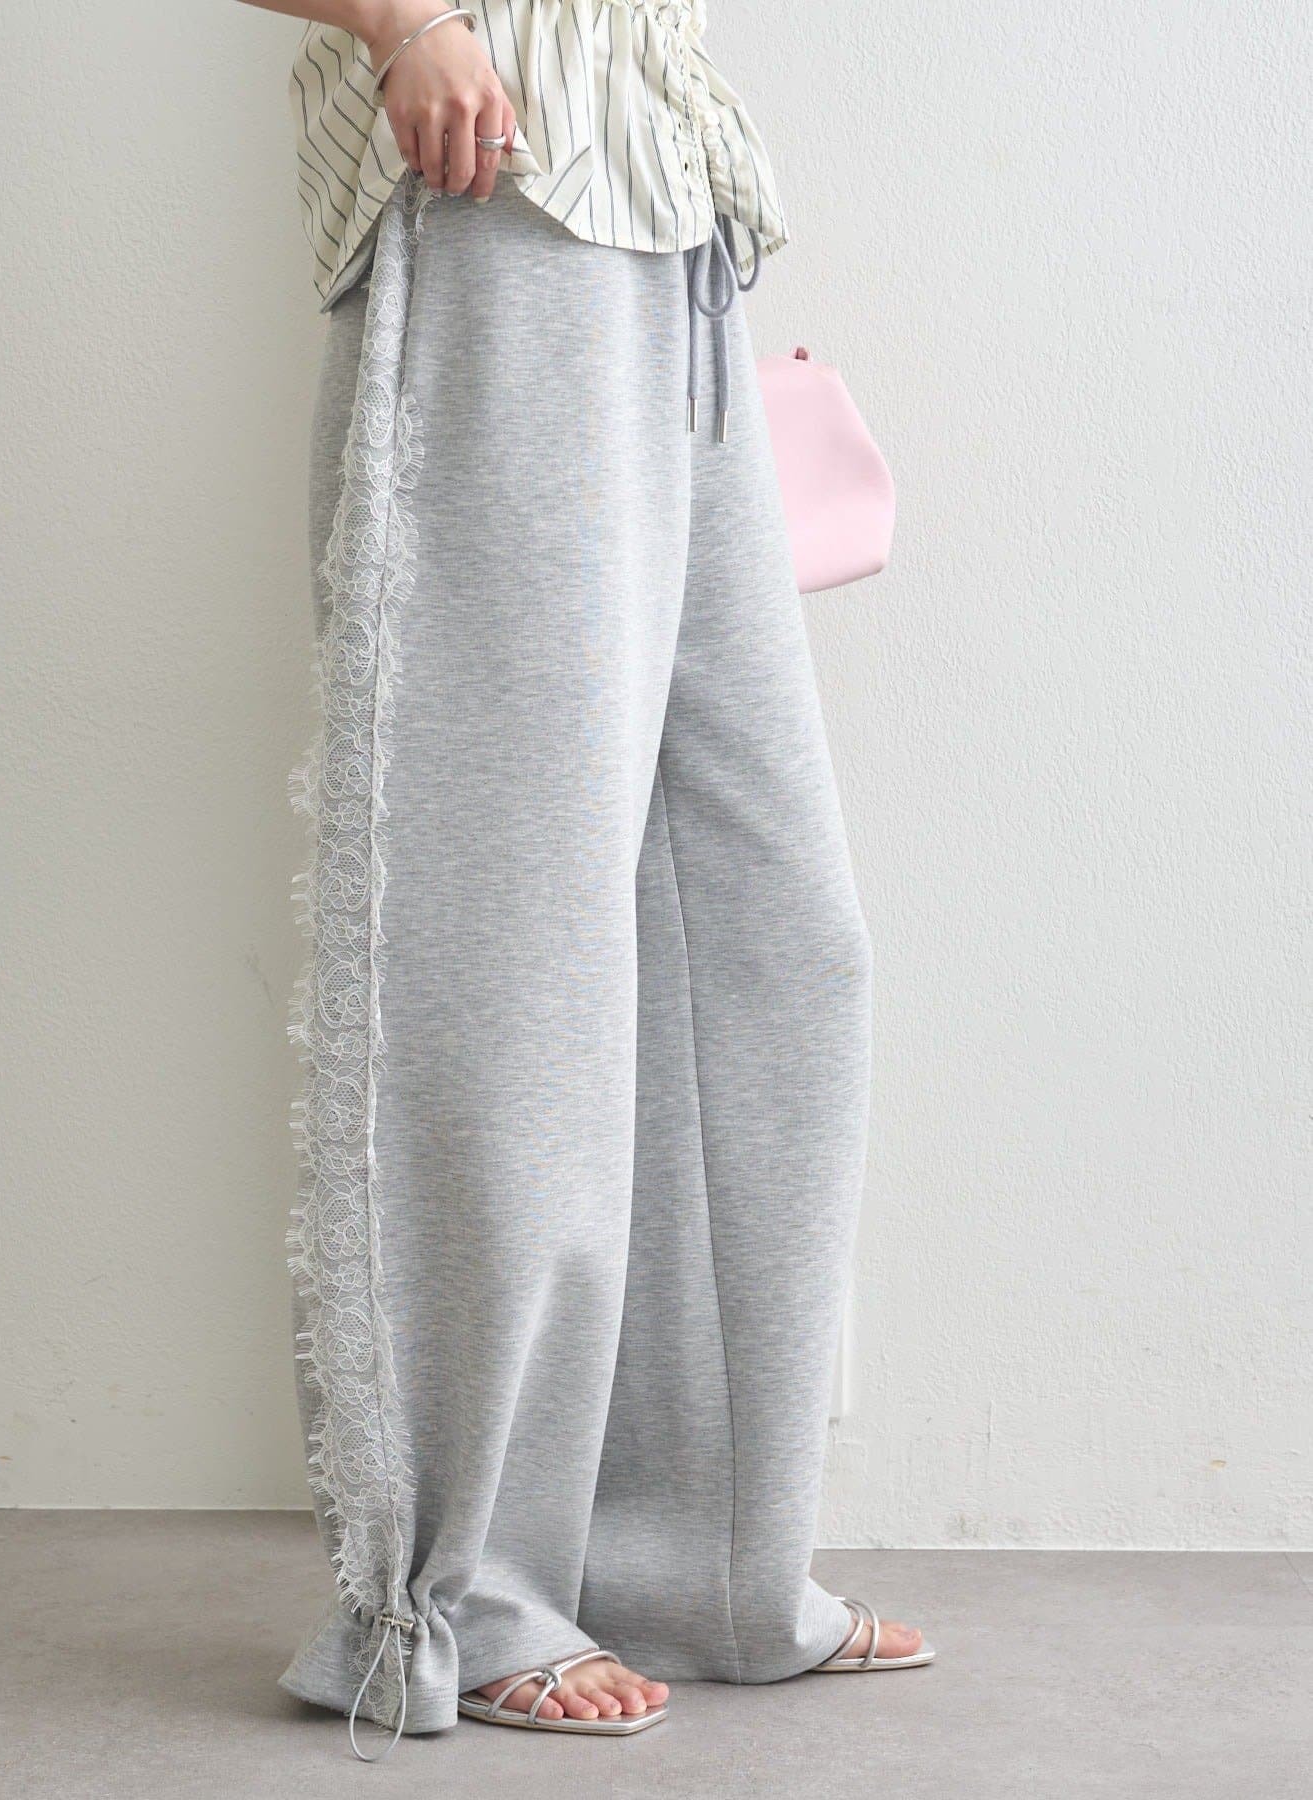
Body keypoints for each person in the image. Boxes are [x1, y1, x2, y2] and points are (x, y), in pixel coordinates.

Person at [239, 0, 931, 1760]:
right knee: (509, 939)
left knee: (774, 938)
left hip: (677, 256)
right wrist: (399, 21)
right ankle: (461, 1594)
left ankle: (706, 1564)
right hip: (490, 226)